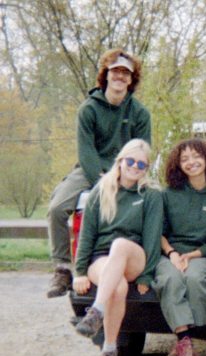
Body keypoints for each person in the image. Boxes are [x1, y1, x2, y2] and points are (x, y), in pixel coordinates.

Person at [47, 48, 151, 298]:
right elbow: (86, 152)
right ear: (106, 74)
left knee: (152, 202)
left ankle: (145, 267)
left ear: (131, 79)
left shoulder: (139, 113)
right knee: (56, 208)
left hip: (128, 168)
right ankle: (62, 268)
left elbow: (143, 150)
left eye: (126, 73)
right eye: (115, 71)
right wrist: (103, 184)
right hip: (91, 168)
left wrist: (128, 176)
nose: (120, 77)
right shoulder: (89, 110)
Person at [72, 139, 162, 356]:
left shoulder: (150, 195)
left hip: (135, 257)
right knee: (118, 287)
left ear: (147, 168)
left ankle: (96, 312)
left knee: (120, 245)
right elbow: (86, 236)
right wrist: (80, 271)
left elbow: (152, 239)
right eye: (130, 161)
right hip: (102, 260)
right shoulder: (100, 192)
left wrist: (146, 275)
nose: (135, 167)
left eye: (141, 164)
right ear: (120, 161)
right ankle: (110, 352)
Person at [152, 139, 206, 356]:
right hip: (171, 252)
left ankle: (181, 345)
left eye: (196, 156)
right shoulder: (168, 194)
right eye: (184, 159)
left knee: (194, 279)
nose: (191, 162)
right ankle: (187, 350)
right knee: (170, 280)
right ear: (177, 164)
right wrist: (173, 254)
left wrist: (193, 255)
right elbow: (158, 232)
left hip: (202, 254)